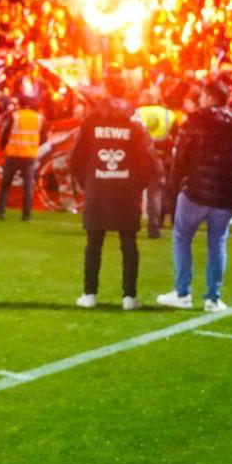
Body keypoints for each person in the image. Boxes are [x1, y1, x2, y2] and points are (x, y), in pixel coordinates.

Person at [158, 82, 232, 312]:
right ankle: (213, 298)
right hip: (226, 197)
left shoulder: (196, 123)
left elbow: (180, 158)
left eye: (202, 96)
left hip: (196, 193)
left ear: (210, 98)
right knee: (217, 243)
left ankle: (182, 292)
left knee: (182, 238)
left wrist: (172, 189)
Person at [69, 77, 157, 309]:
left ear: (107, 90)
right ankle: (129, 297)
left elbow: (76, 155)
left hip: (98, 187)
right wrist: (137, 184)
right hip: (126, 189)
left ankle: (89, 294)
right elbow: (148, 157)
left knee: (93, 243)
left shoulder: (93, 117)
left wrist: (86, 181)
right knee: (129, 243)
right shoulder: (134, 118)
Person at [135, 98, 181, 238]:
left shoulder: (138, 112)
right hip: (158, 157)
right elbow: (177, 136)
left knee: (131, 192)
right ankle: (154, 228)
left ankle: (129, 224)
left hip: (138, 156)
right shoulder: (169, 115)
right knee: (154, 193)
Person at [0, 97, 46, 221]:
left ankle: (1, 212)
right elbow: (44, 138)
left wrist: (4, 147)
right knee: (28, 186)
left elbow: (5, 134)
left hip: (13, 153)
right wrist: (33, 147)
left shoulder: (15, 116)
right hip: (29, 156)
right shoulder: (40, 118)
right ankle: (26, 215)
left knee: (5, 185)